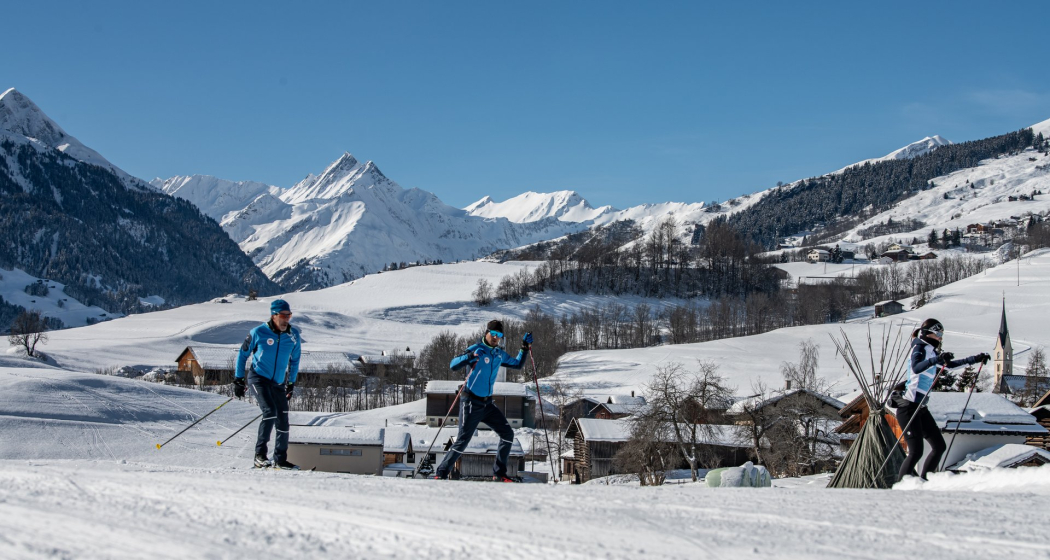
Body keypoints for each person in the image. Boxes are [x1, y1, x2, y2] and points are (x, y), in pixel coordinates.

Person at [434, 319, 533, 482]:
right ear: (486, 333)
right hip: (471, 402)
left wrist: (524, 347)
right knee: (463, 440)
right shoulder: (477, 348)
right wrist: (469, 356)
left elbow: (517, 364)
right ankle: (441, 472)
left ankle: (499, 473)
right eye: (493, 334)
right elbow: (453, 365)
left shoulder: (498, 354)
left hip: (487, 404)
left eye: (499, 335)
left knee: (508, 434)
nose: (495, 337)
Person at [893, 318, 989, 481]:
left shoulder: (931, 351)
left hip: (921, 408)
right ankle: (901, 487)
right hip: (909, 408)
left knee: (939, 446)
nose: (940, 338)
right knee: (916, 452)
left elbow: (949, 365)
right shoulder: (920, 347)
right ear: (927, 333)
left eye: (941, 334)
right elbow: (916, 367)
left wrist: (975, 359)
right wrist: (935, 360)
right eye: (938, 334)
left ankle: (924, 482)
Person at [234, 299, 302, 469]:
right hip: (258, 378)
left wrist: (291, 382)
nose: (287, 319)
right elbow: (243, 355)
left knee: (283, 420)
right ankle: (260, 456)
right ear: (274, 316)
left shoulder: (293, 336)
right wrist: (239, 379)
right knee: (269, 411)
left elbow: (295, 361)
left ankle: (280, 459)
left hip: (278, 382)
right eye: (283, 316)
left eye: (289, 315)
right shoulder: (258, 332)